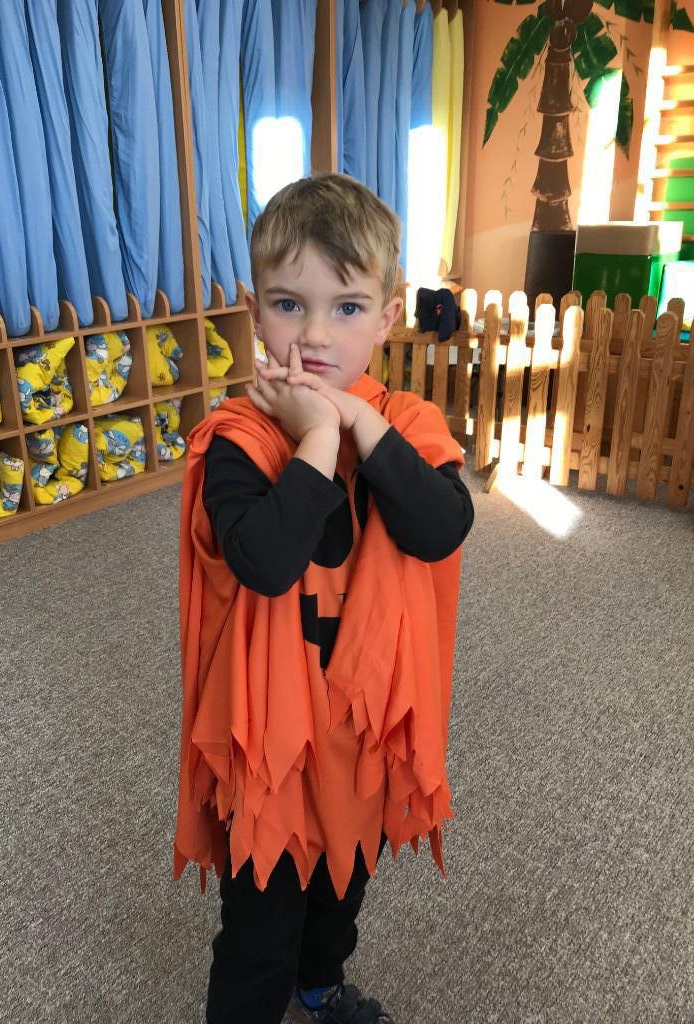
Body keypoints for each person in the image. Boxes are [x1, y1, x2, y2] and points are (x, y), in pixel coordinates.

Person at [174, 173, 474, 1024]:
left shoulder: (409, 425)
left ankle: (321, 982)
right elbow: (266, 563)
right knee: (260, 920)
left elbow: (440, 528)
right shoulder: (238, 439)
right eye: (287, 304)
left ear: (387, 318)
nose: (313, 334)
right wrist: (314, 438)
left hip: (364, 726)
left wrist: (359, 425)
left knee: (343, 883)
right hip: (270, 738)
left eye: (346, 308)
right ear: (254, 311)